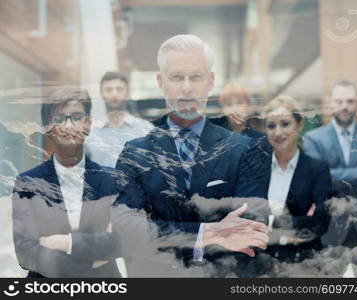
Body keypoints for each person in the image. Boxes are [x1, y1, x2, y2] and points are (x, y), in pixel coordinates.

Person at [112, 34, 270, 277]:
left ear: (210, 81)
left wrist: (162, 233)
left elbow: (253, 231)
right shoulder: (135, 153)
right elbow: (126, 231)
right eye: (177, 77)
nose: (186, 87)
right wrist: (208, 233)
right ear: (160, 81)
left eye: (195, 76)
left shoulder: (244, 150)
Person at [12, 86, 122, 277]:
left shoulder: (113, 180)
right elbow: (26, 254)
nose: (69, 126)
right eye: (59, 119)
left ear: (88, 124)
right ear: (47, 126)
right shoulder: (27, 183)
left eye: (77, 117)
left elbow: (119, 242)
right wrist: (91, 258)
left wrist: (62, 243)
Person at [255, 95, 331, 266]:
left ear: (299, 124)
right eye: (271, 126)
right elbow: (249, 219)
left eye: (285, 124)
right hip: (261, 263)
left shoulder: (317, 169)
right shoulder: (257, 169)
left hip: (302, 262)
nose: (278, 132)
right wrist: (298, 221)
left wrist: (271, 219)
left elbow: (320, 222)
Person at [303, 80, 357, 248]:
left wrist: (334, 174)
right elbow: (318, 179)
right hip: (329, 227)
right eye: (339, 101)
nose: (344, 106)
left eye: (350, 101)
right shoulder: (313, 139)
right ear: (329, 103)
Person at [85, 71, 153, 167]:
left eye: (119, 89)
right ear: (101, 93)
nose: (114, 94)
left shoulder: (146, 129)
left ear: (127, 92)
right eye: (108, 89)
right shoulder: (90, 132)